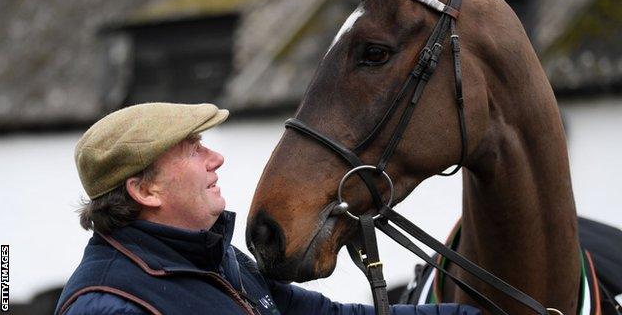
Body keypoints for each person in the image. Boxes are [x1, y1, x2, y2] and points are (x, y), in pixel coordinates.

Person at [55, 102, 481, 315]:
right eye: (191, 150)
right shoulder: (108, 304)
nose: (214, 159)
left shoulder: (217, 258)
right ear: (144, 190)